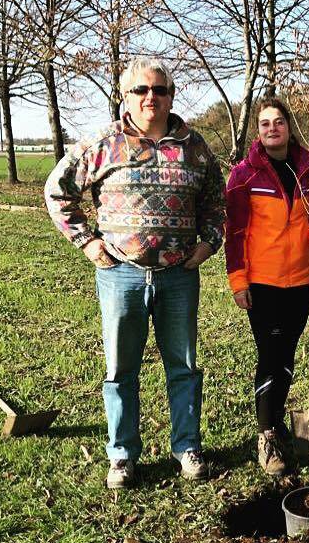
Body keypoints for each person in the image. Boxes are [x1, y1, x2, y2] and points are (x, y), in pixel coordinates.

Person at [45, 57, 225, 489]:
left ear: (171, 96)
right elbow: (58, 190)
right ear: (125, 96)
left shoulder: (194, 146)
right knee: (121, 369)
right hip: (120, 275)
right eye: (141, 90)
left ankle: (187, 447)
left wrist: (208, 242)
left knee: (182, 365)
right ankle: (122, 454)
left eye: (159, 90)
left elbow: (216, 202)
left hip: (178, 276)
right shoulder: (104, 143)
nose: (150, 98)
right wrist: (86, 240)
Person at [225, 97, 309, 477]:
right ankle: (266, 434)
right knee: (270, 355)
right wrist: (238, 281)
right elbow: (234, 234)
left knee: (286, 355)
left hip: (300, 281)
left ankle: (277, 420)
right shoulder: (244, 175)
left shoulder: (308, 168)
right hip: (262, 283)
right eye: (265, 123)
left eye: (279, 122)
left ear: (289, 126)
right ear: (258, 131)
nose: (272, 128)